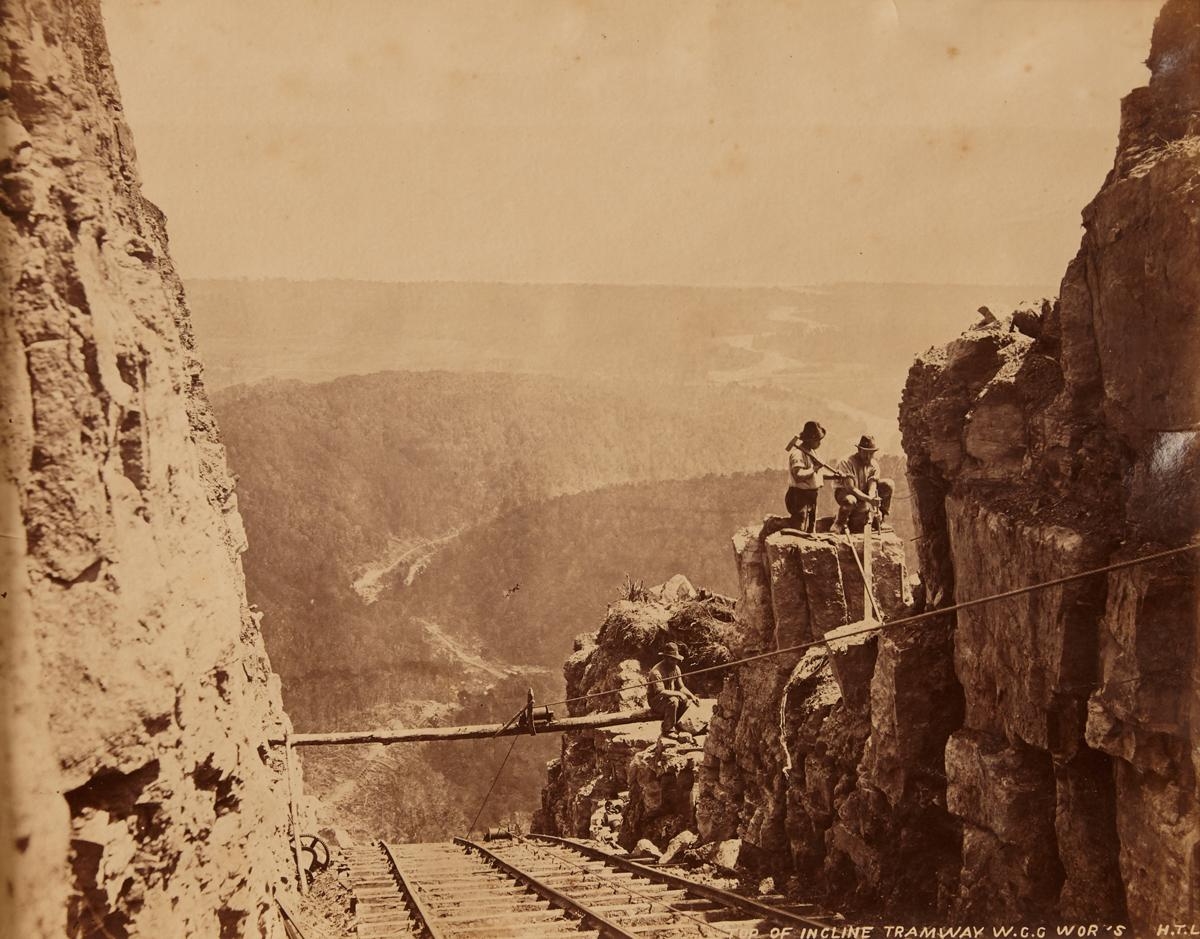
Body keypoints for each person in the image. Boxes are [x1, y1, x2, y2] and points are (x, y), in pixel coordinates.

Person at [833, 434, 893, 533]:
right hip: (845, 492)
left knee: (888, 484)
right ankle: (839, 523)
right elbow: (850, 488)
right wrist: (869, 499)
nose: (868, 457)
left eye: (871, 454)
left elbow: (872, 485)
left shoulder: (873, 465)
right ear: (859, 450)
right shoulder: (846, 462)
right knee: (850, 500)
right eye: (865, 453)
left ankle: (879, 521)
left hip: (863, 491)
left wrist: (873, 500)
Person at [785, 420, 834, 533]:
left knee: (811, 525)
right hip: (798, 495)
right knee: (799, 525)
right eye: (817, 440)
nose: (820, 444)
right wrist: (814, 468)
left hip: (812, 494)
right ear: (810, 440)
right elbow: (798, 475)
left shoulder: (812, 452)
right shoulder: (797, 454)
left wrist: (835, 476)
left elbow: (817, 475)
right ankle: (775, 523)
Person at [646, 642, 699, 739]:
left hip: (669, 697)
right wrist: (678, 694)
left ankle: (677, 724)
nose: (675, 662)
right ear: (665, 658)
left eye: (676, 659)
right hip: (656, 701)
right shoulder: (656, 672)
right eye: (672, 659)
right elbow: (660, 692)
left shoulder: (676, 668)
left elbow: (681, 687)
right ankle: (668, 730)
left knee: (685, 701)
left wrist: (692, 696)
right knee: (673, 701)